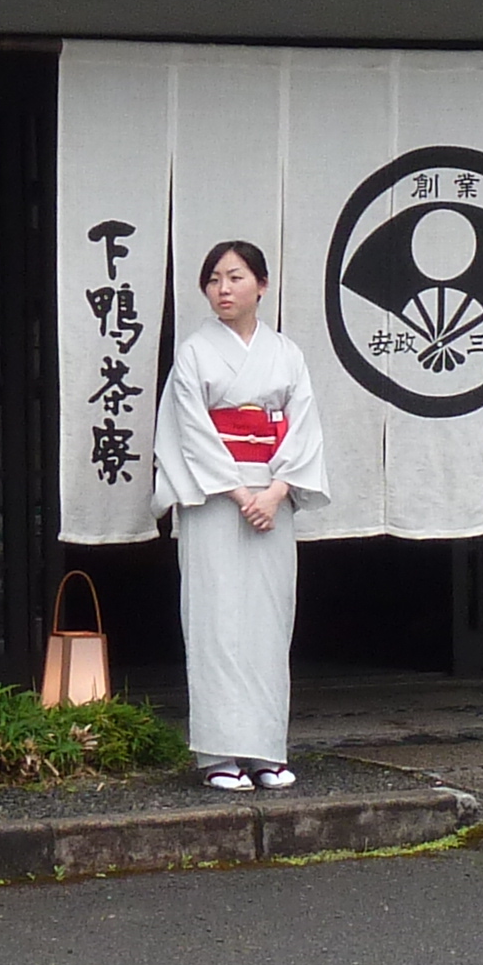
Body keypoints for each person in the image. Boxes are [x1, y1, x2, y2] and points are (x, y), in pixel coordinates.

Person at [155, 238, 330, 795]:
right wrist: (237, 492)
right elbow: (189, 430)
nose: (222, 289)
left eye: (234, 278)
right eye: (213, 280)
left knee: (268, 622)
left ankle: (264, 749)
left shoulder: (287, 354)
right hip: (214, 502)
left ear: (262, 284)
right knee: (215, 620)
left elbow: (301, 427)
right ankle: (218, 753)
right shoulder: (196, 353)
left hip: (271, 501)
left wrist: (276, 491)